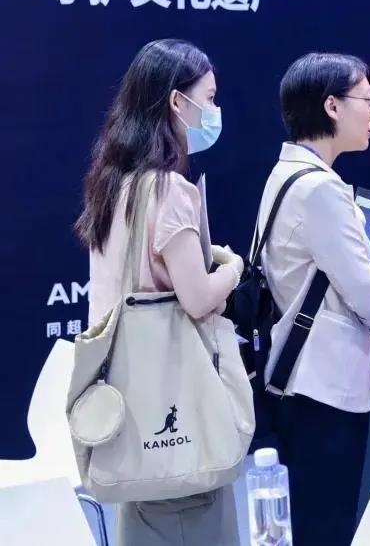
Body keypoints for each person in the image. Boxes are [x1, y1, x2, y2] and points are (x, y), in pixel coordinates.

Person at [77, 39, 245, 546]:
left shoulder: (114, 186)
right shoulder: (169, 190)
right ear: (177, 101)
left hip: (131, 408)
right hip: (179, 410)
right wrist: (233, 269)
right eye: (208, 98)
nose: (214, 110)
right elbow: (197, 298)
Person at [256, 52, 370, 546]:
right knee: (326, 525)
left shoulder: (286, 174)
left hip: (296, 377)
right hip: (324, 386)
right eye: (366, 99)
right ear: (332, 106)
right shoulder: (322, 190)